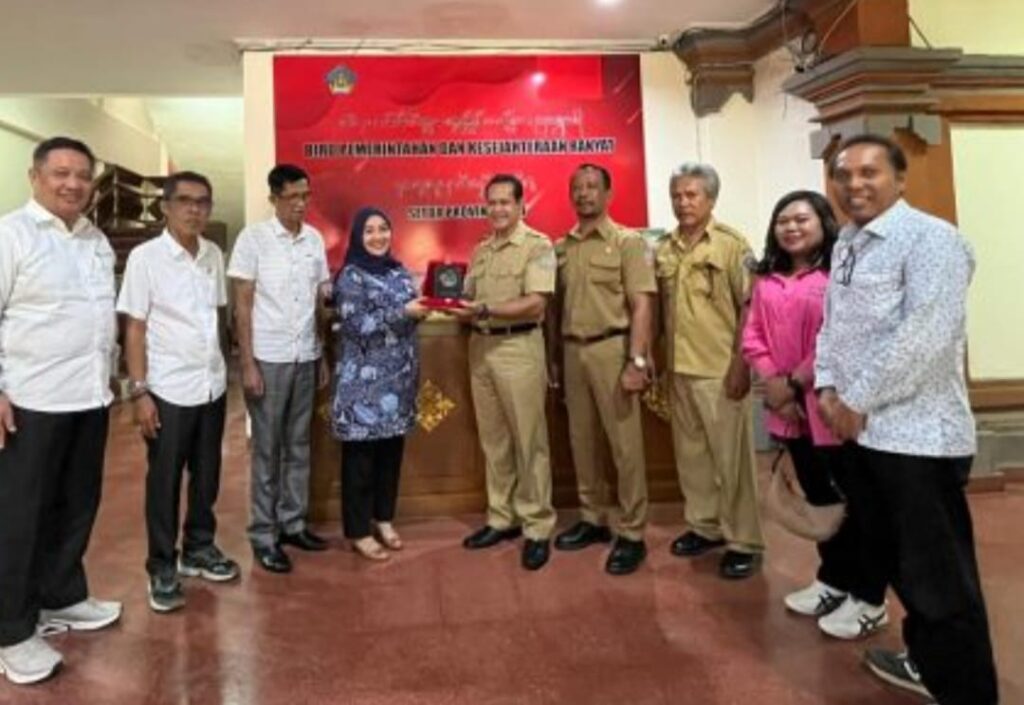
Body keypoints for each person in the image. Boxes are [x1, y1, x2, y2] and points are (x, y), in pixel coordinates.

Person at [817, 133, 998, 705]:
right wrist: (826, 386)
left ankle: (967, 691)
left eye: (869, 172)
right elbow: (832, 324)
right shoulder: (848, 243)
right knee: (903, 570)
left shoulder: (932, 240)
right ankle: (926, 662)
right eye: (843, 174)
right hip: (865, 437)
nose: (854, 184)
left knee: (941, 581)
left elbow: (926, 337)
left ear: (899, 178)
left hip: (918, 442)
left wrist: (856, 400)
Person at [0, 137, 121, 685]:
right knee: (20, 519)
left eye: (82, 175)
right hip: (30, 402)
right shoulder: (12, 235)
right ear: (35, 177)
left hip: (88, 397)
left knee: (76, 505)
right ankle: (11, 630)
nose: (73, 184)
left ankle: (61, 594)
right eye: (61, 173)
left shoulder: (95, 239)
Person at [743, 190, 890, 636]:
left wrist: (793, 383)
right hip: (787, 410)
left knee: (857, 505)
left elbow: (836, 338)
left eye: (801, 219)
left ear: (824, 223)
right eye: (783, 220)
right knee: (821, 503)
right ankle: (833, 580)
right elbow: (752, 335)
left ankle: (869, 596)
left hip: (829, 409)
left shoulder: (838, 276)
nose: (791, 228)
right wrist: (773, 381)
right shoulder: (767, 280)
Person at [118, 171, 239, 614]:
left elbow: (218, 317)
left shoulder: (212, 255)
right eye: (185, 201)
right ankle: (162, 564)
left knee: (207, 474)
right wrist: (140, 392)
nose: (195, 210)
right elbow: (135, 327)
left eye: (203, 202)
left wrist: (225, 369)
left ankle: (199, 548)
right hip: (167, 388)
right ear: (166, 207)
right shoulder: (145, 259)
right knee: (165, 480)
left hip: (211, 385)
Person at [655, 163, 764, 579]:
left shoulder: (732, 245)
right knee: (692, 456)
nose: (683, 203)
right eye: (677, 195)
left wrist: (741, 364)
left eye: (691, 195)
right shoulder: (665, 248)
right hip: (679, 369)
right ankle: (705, 526)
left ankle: (744, 541)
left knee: (732, 461)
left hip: (719, 370)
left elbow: (750, 309)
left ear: (711, 199)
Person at [549, 163, 655, 576]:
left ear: (608, 194)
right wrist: (555, 358)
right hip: (573, 352)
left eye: (592, 187)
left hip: (614, 349)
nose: (584, 194)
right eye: (577, 188)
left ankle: (632, 532)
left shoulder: (628, 243)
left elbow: (642, 303)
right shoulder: (561, 248)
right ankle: (592, 518)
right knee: (583, 442)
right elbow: (554, 309)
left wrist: (637, 360)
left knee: (625, 447)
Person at [228, 164, 331, 574]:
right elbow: (243, 306)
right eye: (292, 197)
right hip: (268, 359)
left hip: (305, 355)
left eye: (305, 196)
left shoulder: (314, 240)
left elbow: (318, 301)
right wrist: (247, 364)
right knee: (268, 449)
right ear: (274, 199)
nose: (300, 204)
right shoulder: (253, 239)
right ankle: (263, 534)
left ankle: (293, 523)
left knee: (299, 446)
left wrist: (322, 354)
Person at [455, 174, 557, 571]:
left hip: (518, 349)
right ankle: (502, 518)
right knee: (494, 441)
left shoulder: (538, 246)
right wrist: (450, 303)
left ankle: (537, 526)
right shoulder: (481, 249)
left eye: (505, 202)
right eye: (492, 202)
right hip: (480, 349)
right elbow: (466, 297)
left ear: (520, 206)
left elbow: (536, 304)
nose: (497, 209)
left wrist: (484, 309)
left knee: (529, 442)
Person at [330, 207, 427, 561]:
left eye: (383, 229)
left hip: (398, 383)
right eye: (369, 230)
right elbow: (356, 324)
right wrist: (404, 312)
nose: (377, 236)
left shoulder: (398, 271)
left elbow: (413, 312)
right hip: (363, 388)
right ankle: (358, 530)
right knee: (361, 460)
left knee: (390, 456)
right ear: (358, 236)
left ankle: (384, 519)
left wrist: (424, 307)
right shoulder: (350, 276)